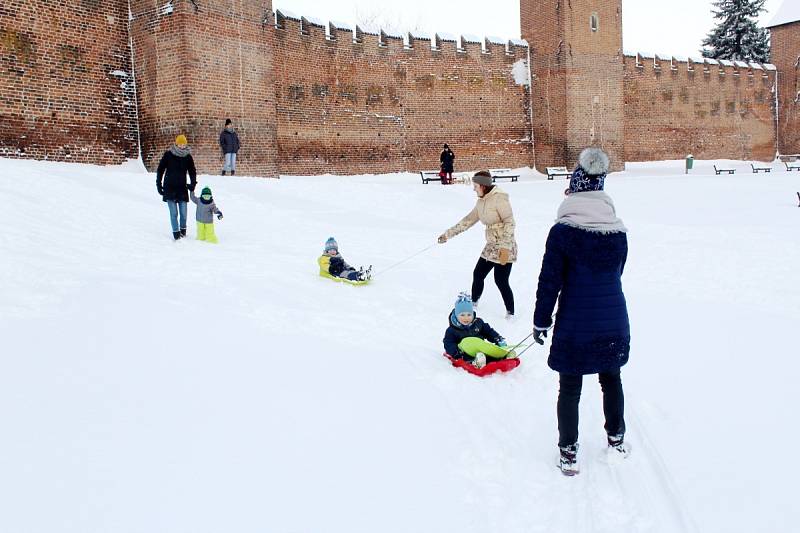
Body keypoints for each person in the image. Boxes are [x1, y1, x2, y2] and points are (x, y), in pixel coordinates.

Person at [531, 147, 630, 477]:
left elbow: (550, 282)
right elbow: (617, 273)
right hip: (613, 318)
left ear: (573, 190)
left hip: (575, 322)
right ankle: (616, 438)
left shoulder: (563, 232)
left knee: (570, 388)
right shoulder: (618, 231)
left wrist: (541, 320)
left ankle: (569, 452)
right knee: (611, 379)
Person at [437, 171, 517, 319]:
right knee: (478, 273)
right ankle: (474, 302)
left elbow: (510, 222)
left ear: (483, 186)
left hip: (505, 245)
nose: (474, 189)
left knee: (500, 280)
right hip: (491, 244)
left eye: (475, 186)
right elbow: (468, 220)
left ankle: (510, 312)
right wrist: (448, 234)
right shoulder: (481, 202)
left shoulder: (499, 199)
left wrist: (505, 246)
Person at [443, 293, 515, 369]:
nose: (466, 318)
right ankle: (476, 362)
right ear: (456, 315)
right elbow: (448, 343)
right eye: (462, 315)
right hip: (464, 352)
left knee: (488, 352)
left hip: (480, 349)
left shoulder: (478, 323)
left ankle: (504, 356)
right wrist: (456, 352)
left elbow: (489, 332)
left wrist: (498, 338)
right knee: (466, 356)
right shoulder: (452, 330)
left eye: (469, 314)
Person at [156, 134, 197, 240]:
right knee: (174, 213)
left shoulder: (187, 157)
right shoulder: (168, 155)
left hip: (182, 188)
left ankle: (183, 231)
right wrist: (159, 185)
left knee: (183, 214)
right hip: (169, 188)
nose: (182, 146)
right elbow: (160, 170)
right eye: (180, 144)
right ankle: (176, 234)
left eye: (184, 144)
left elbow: (192, 171)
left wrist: (193, 183)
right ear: (176, 144)